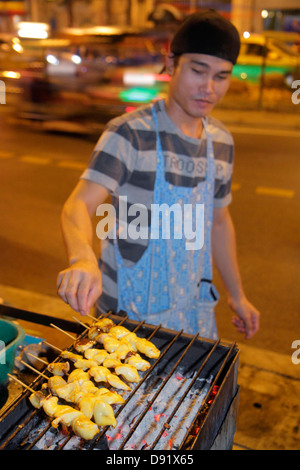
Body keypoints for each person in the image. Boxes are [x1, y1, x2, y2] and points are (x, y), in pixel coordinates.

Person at [57, 10, 260, 340]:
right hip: (127, 316)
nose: (208, 88)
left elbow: (219, 222)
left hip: (193, 315)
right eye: (197, 70)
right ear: (171, 64)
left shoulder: (221, 142)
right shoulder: (129, 133)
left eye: (221, 76)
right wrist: (83, 259)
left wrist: (238, 296)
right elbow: (78, 204)